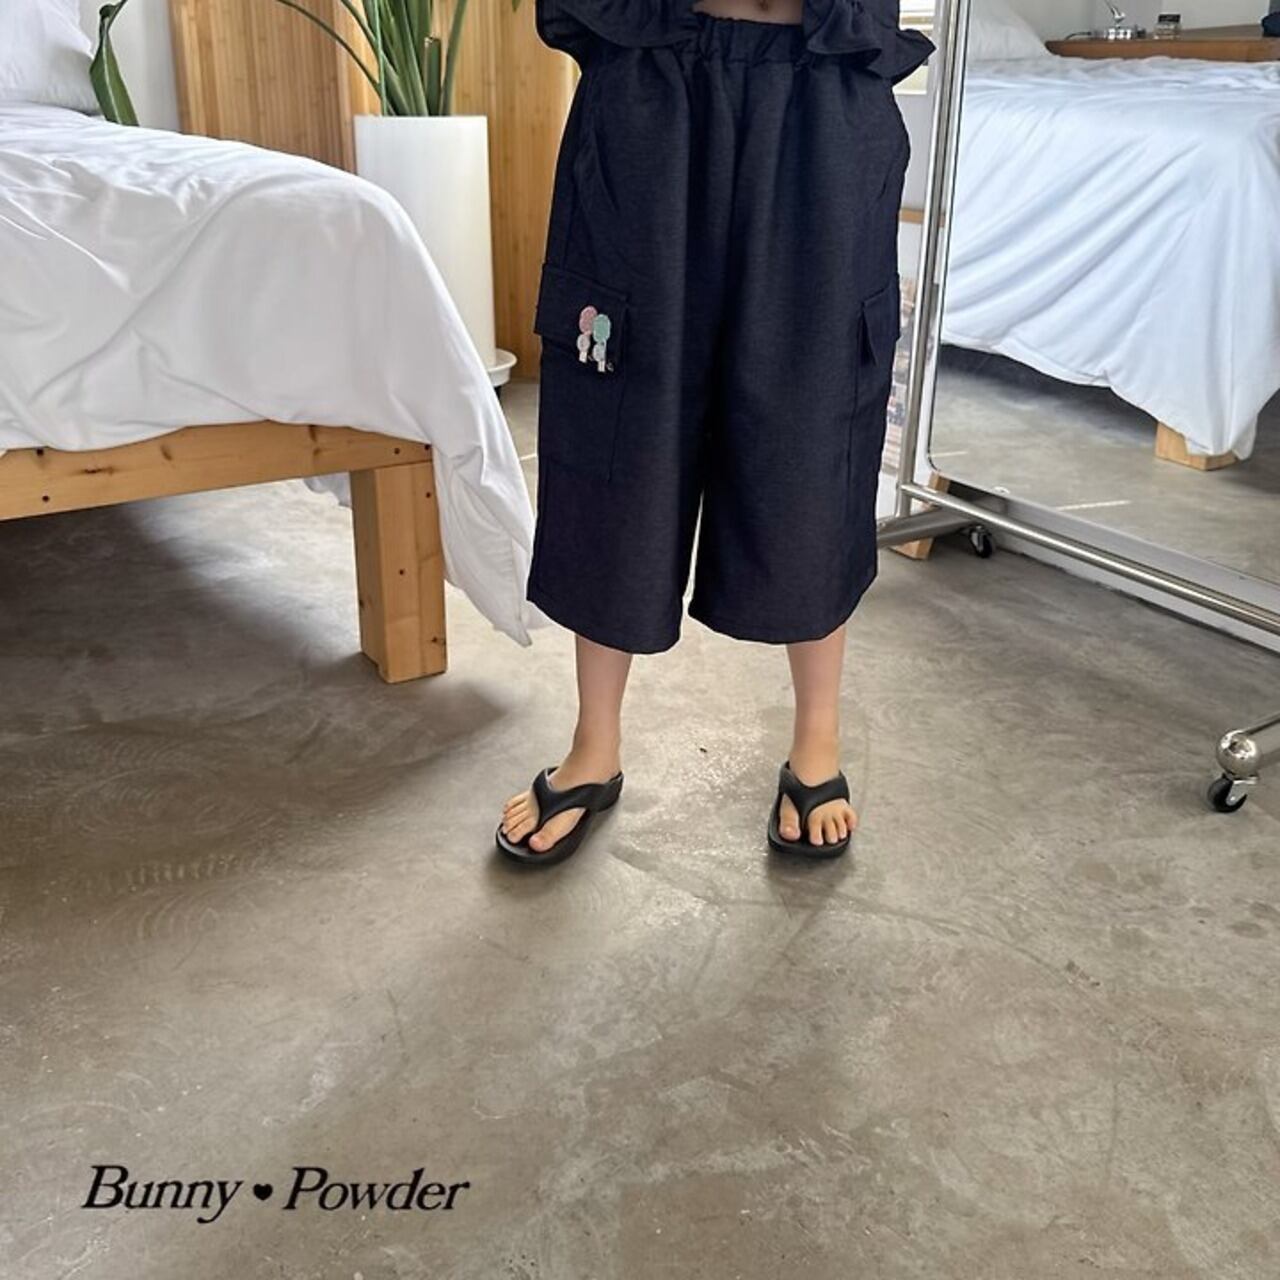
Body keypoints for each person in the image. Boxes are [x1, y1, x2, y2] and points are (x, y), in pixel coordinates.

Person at [498, 0, 933, 865]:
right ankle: (594, 744)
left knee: (815, 434)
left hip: (825, 85)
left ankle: (817, 740)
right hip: (650, 78)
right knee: (621, 428)